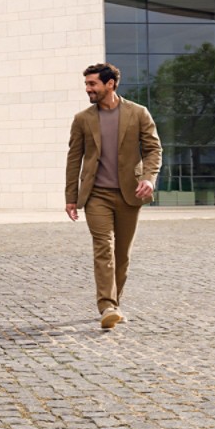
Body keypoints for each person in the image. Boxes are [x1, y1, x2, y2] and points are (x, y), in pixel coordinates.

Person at [65, 63, 162, 330]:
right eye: (86, 84)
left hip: (130, 193)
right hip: (96, 194)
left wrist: (148, 179)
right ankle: (106, 305)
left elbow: (154, 149)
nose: (88, 89)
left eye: (92, 84)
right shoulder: (82, 119)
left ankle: (115, 304)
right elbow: (74, 158)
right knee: (103, 247)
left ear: (110, 84)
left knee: (122, 254)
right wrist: (71, 197)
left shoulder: (138, 113)